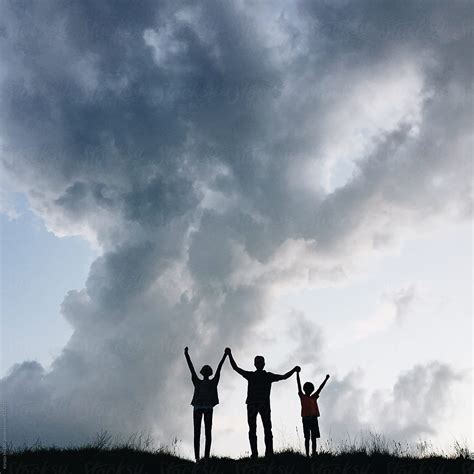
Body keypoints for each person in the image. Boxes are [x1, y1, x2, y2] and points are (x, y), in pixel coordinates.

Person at [225, 347, 300, 458]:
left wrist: (294, 370)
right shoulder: (251, 375)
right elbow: (236, 368)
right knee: (252, 429)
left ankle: (269, 453)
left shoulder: (268, 376)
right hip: (252, 404)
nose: (259, 364)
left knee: (267, 429)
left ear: (263, 364)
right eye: (257, 362)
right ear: (255, 364)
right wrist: (229, 355)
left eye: (260, 362)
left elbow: (284, 377)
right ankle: (255, 453)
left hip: (263, 404)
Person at [184, 346, 227, 462]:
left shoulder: (209, 382)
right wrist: (186, 355)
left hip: (204, 408)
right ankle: (199, 458)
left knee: (204, 433)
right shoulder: (200, 382)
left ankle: (204, 457)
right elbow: (191, 368)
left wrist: (225, 356)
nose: (206, 372)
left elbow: (219, 368)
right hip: (200, 408)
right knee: (200, 433)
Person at [296, 370, 330, 456]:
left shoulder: (313, 397)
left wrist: (326, 379)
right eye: (307, 389)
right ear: (305, 389)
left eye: (310, 389)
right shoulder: (302, 396)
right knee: (307, 438)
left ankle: (313, 453)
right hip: (306, 419)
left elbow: (320, 388)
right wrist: (297, 374)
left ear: (311, 390)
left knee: (313, 438)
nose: (308, 390)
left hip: (313, 419)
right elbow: (299, 386)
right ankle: (307, 454)